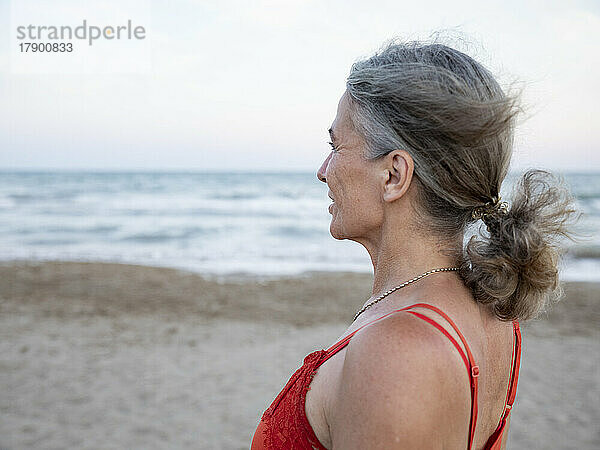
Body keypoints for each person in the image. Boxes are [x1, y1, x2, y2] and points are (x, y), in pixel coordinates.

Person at [251, 38, 579, 449]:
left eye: (335, 146)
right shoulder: (493, 313)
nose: (322, 170)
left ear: (393, 175)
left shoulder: (398, 352)